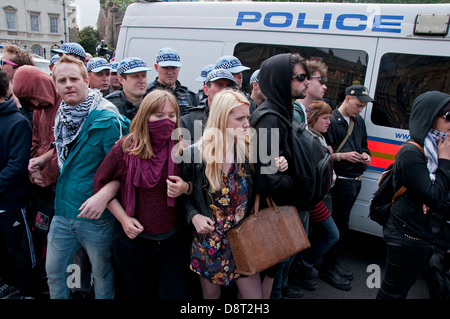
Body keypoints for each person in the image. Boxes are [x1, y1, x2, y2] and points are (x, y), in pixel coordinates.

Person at [84, 89, 189, 299]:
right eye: (159, 115)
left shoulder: (181, 147)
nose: (166, 121)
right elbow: (100, 183)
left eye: (171, 115)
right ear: (145, 116)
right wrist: (123, 219)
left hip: (173, 242)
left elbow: (196, 186)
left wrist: (185, 187)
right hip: (135, 243)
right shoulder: (124, 148)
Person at [44, 54, 130, 299]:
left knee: (101, 274)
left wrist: (103, 196)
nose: (68, 84)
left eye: (74, 79)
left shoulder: (107, 118)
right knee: (54, 273)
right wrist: (42, 160)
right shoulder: (63, 115)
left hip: (95, 216)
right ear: (55, 85)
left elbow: (124, 170)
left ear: (86, 81)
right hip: (63, 210)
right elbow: (65, 149)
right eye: (62, 80)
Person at [183, 89, 264, 299]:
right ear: (221, 119)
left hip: (244, 240)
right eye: (240, 118)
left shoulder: (251, 150)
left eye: (248, 116)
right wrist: (194, 216)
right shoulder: (195, 154)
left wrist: (278, 164)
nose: (247, 123)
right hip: (209, 242)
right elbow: (183, 194)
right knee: (211, 298)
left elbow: (265, 186)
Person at [248, 52, 310, 299]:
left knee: (275, 272)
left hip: (281, 210)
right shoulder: (269, 119)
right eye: (301, 77)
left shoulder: (282, 112)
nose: (307, 82)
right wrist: (296, 181)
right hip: (270, 214)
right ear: (281, 80)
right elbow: (268, 178)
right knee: (266, 274)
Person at [377, 91, 450, 299]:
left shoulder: (438, 147)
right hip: (406, 235)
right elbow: (434, 197)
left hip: (423, 233)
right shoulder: (412, 152)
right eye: (448, 116)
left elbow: (439, 196)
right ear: (430, 116)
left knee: (402, 289)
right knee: (392, 292)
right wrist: (445, 162)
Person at [12, 66, 62, 288]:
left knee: (63, 245)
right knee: (43, 234)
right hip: (43, 184)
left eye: (35, 98)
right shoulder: (38, 111)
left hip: (60, 187)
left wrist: (46, 174)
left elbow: (64, 147)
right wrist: (33, 170)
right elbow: (35, 141)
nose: (35, 104)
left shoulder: (64, 105)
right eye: (28, 101)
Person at [322, 84, 373, 291]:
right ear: (347, 99)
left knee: (343, 226)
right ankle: (328, 268)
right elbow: (323, 153)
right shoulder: (331, 121)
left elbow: (364, 145)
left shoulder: (358, 121)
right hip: (341, 181)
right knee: (337, 226)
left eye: (362, 106)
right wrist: (342, 156)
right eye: (358, 105)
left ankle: (333, 264)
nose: (360, 110)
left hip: (355, 179)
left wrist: (366, 154)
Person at [289, 100, 339, 292]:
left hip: (317, 198)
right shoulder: (311, 139)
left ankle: (298, 270)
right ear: (313, 118)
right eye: (325, 118)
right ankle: (300, 269)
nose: (329, 122)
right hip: (313, 199)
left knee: (306, 236)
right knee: (330, 234)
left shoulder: (320, 138)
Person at [0, 69, 38, 299]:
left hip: (12, 204)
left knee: (20, 252)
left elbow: (17, 166)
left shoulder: (17, 122)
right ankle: (8, 284)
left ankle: (29, 291)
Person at [180, 68, 237, 143]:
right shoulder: (189, 119)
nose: (225, 90)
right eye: (219, 85)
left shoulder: (240, 118)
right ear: (206, 90)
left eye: (229, 86)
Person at [147, 47, 198, 115]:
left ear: (179, 68)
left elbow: (197, 121)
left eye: (174, 68)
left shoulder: (189, 95)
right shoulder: (147, 94)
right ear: (156, 67)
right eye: (165, 68)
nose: (170, 72)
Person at [0, 44, 35, 124]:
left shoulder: (31, 94)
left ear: (18, 68)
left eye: (2, 62)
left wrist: (14, 99)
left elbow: (30, 127)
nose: (0, 66)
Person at [293, 60, 328, 125]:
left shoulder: (300, 112)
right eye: (321, 80)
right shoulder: (295, 114)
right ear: (307, 80)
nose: (325, 87)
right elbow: (271, 134)